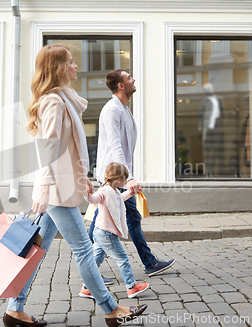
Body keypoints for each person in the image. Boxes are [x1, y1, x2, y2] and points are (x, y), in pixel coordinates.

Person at [3, 45, 147, 327]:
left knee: (36, 250)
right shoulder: (54, 102)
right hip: (56, 192)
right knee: (83, 249)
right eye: (70, 62)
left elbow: (70, 150)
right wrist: (44, 190)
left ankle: (14, 308)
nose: (76, 66)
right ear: (58, 68)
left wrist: (85, 179)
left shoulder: (64, 100)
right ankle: (111, 308)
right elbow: (50, 150)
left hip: (62, 188)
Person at [89, 69, 176, 277]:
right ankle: (92, 269)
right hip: (113, 177)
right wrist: (128, 179)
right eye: (129, 78)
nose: (133, 79)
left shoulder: (124, 109)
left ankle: (91, 269)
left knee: (111, 221)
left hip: (118, 176)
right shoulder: (112, 110)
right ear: (121, 85)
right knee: (105, 224)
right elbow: (116, 145)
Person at [80, 162, 150, 300]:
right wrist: (87, 192)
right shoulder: (104, 190)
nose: (126, 181)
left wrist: (130, 193)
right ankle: (131, 287)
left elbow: (119, 200)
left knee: (95, 261)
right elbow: (93, 199)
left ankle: (86, 288)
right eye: (125, 179)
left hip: (101, 232)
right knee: (122, 259)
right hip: (106, 233)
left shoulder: (114, 191)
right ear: (119, 180)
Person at [199, 83, 224, 177]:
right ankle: (208, 172)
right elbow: (201, 116)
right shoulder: (204, 101)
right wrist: (201, 128)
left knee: (216, 150)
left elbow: (222, 113)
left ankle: (214, 172)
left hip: (217, 127)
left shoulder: (219, 100)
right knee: (207, 150)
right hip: (208, 128)